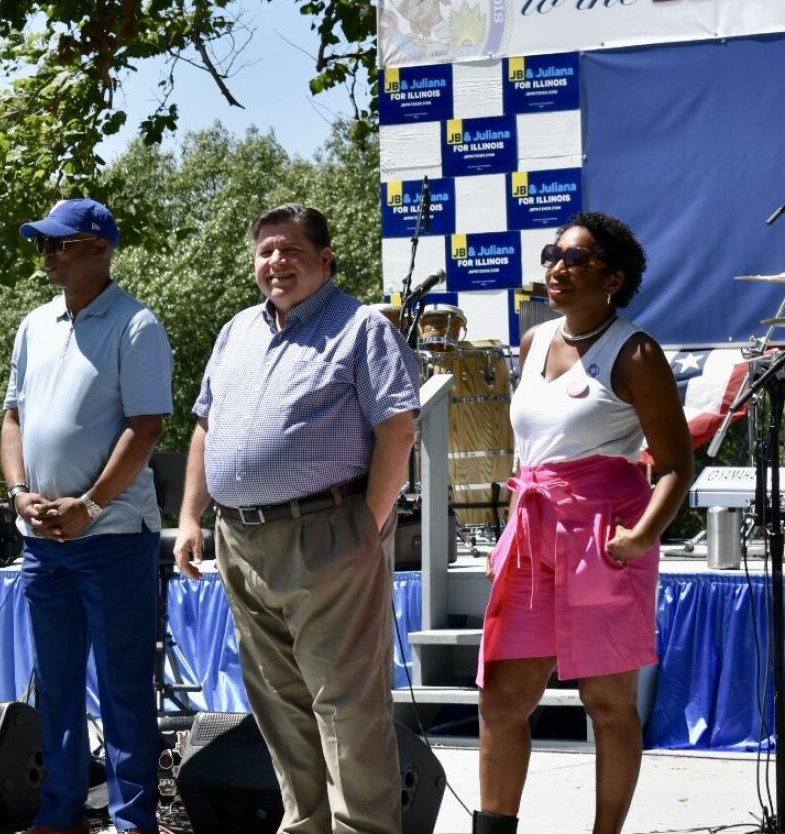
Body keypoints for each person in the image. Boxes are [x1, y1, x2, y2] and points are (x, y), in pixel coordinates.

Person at [174, 203, 419, 834]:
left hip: (327, 533)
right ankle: (305, 824)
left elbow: (398, 426)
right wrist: (192, 517)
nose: (276, 262)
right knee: (279, 703)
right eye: (266, 251)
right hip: (239, 538)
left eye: (291, 251)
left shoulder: (361, 327)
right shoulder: (236, 332)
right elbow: (205, 426)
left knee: (345, 705)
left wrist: (369, 522)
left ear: (325, 260)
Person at [472, 213, 691, 834]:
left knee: (607, 702)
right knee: (502, 699)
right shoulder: (533, 341)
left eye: (576, 258)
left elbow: (676, 463)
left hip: (606, 538)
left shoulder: (638, 352)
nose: (557, 268)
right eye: (552, 255)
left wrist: (643, 536)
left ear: (614, 278)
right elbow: (533, 448)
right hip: (534, 533)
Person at [2, 198, 172, 834]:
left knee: (125, 688)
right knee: (57, 685)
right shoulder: (33, 325)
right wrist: (20, 493)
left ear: (100, 248)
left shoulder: (136, 325)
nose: (47, 254)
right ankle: (61, 814)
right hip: (42, 539)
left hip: (114, 538)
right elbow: (12, 416)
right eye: (42, 244)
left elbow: (147, 425)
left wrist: (92, 505)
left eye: (60, 244)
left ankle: (133, 822)